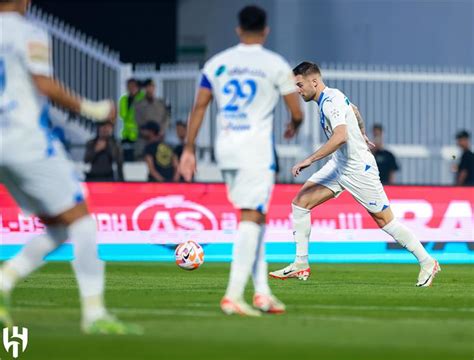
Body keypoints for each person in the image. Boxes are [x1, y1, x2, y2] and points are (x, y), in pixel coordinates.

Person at [0, 0, 140, 334]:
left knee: (58, 225)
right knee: (82, 222)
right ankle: (95, 315)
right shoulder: (27, 31)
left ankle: (5, 280)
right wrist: (93, 109)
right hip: (26, 140)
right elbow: (43, 84)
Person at [179, 5, 304, 316]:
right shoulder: (274, 65)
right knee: (251, 216)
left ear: (238, 30)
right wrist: (294, 125)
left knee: (256, 216)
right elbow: (297, 111)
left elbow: (199, 107)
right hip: (255, 151)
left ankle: (262, 293)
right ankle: (233, 295)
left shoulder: (217, 63)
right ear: (265, 31)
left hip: (227, 150)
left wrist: (189, 149)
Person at [269, 62, 440, 287]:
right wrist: (362, 132)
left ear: (314, 81)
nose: (298, 90)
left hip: (358, 169)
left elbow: (340, 136)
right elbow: (355, 110)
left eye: (300, 85)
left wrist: (309, 160)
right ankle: (300, 264)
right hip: (339, 164)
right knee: (300, 203)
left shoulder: (330, 102)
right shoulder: (333, 95)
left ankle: (428, 262)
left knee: (385, 222)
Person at [119, 78, 144, 161]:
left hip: (139, 134)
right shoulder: (123, 99)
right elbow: (122, 115)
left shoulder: (142, 97)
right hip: (126, 134)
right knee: (125, 158)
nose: (131, 88)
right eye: (129, 86)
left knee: (138, 158)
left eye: (133, 86)